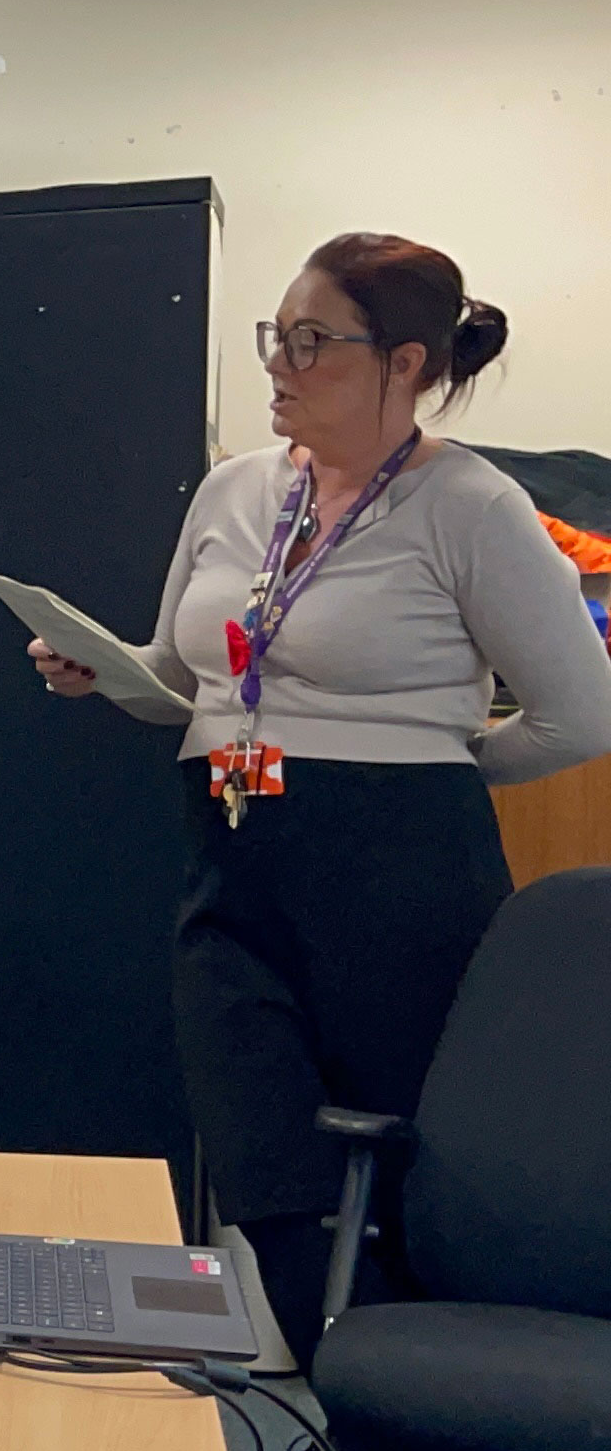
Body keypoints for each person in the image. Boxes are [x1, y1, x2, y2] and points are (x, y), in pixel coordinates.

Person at [30, 234, 611, 1361]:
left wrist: (431, 767)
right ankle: (365, 1433)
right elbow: (186, 680)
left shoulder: (470, 505)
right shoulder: (238, 489)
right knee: (261, 1160)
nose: (280, 367)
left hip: (400, 868)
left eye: (311, 344)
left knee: (399, 1168)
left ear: (403, 363)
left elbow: (583, 714)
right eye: (276, 338)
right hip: (234, 852)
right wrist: (108, 674)